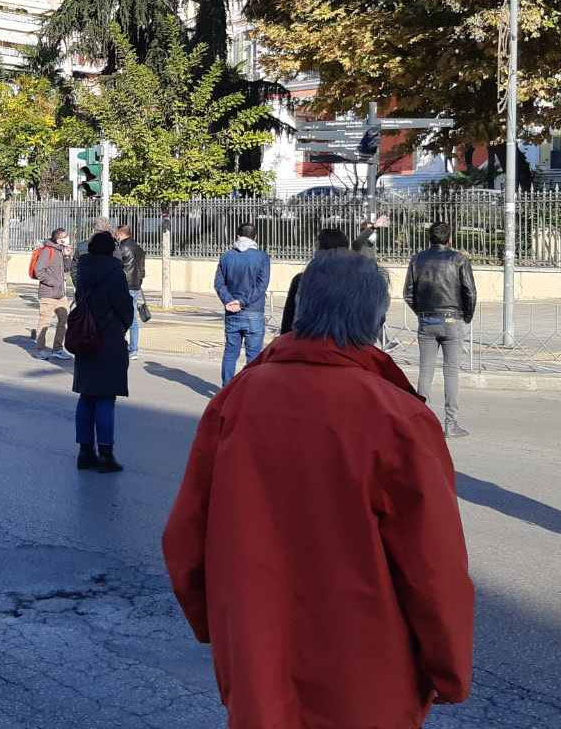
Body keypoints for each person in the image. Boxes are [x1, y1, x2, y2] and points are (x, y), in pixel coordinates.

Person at [163, 252, 475, 726]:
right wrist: (449, 669)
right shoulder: (398, 418)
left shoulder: (236, 401)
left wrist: (219, 626)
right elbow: (433, 566)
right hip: (369, 673)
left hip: (258, 659)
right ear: (376, 322)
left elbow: (185, 537)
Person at [403, 221, 476, 439]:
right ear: (450, 239)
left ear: (429, 238)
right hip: (453, 320)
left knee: (425, 371)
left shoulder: (417, 259)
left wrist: (423, 313)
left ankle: (418, 423)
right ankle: (450, 424)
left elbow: (408, 293)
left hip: (427, 321)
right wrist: (466, 316)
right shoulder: (459, 259)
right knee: (451, 372)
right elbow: (470, 292)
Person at [72, 232, 135, 472]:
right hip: (109, 339)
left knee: (86, 396)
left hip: (85, 337)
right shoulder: (115, 273)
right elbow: (124, 307)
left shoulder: (82, 270)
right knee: (106, 398)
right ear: (111, 250)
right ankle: (106, 455)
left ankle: (85, 452)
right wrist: (122, 326)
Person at [214, 223, 271, 385]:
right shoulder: (262, 257)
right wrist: (242, 302)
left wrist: (230, 301)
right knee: (253, 357)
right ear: (255, 237)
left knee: (230, 353)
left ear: (237, 236)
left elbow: (219, 284)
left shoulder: (226, 256)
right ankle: (249, 391)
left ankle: (226, 389)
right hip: (254, 311)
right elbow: (261, 286)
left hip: (232, 312)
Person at [279, 227, 349, 336]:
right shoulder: (357, 283)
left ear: (318, 249)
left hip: (305, 342)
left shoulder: (301, 281)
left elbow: (287, 324)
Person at [32, 229, 74, 361]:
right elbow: (38, 271)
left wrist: (67, 256)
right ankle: (40, 349)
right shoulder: (47, 251)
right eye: (65, 237)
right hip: (48, 294)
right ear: (59, 239)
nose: (68, 239)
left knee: (64, 321)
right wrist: (53, 283)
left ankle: (58, 349)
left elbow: (66, 269)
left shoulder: (60, 250)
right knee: (44, 322)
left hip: (60, 295)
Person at [114, 224, 147, 359]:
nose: (116, 236)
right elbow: (142, 270)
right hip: (135, 286)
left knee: (118, 317)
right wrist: (138, 282)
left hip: (123, 287)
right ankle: (134, 349)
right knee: (133, 319)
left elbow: (116, 267)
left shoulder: (121, 248)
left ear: (121, 234)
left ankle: (119, 346)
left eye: (117, 234)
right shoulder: (139, 248)